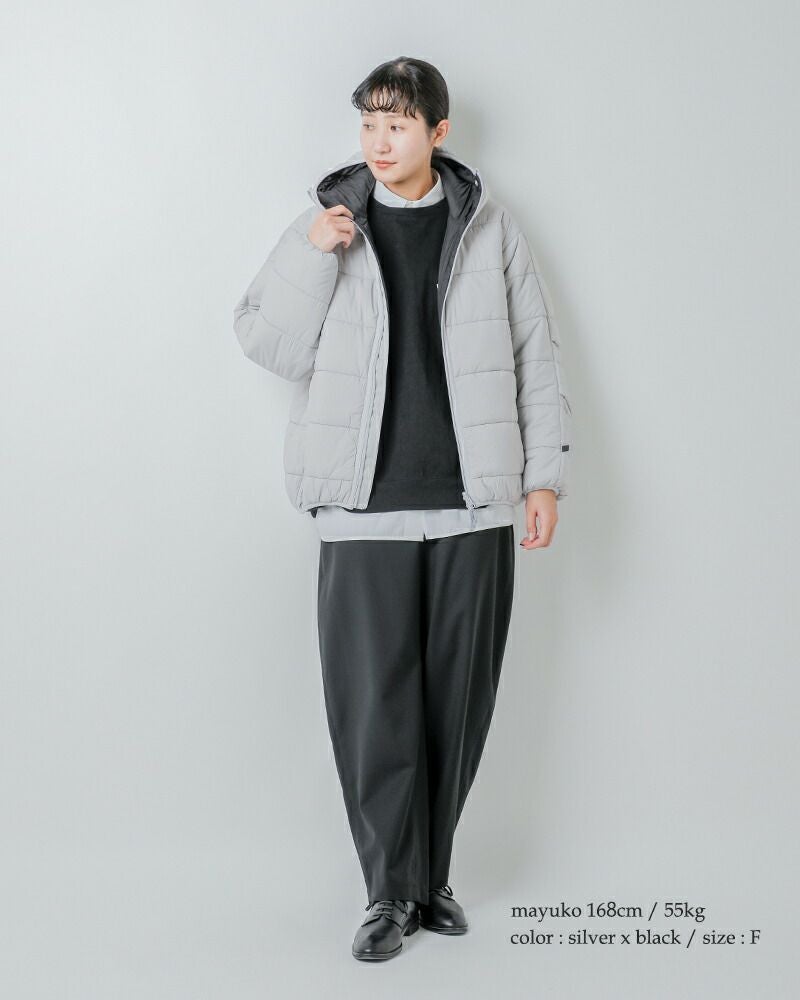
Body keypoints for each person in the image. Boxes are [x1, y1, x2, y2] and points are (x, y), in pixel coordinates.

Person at [233, 56, 572, 962]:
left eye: (398, 124)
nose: (380, 142)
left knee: (455, 707)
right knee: (375, 708)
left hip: (473, 504)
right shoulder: (330, 223)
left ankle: (431, 880)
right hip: (363, 509)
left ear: (438, 132)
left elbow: (535, 354)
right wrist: (313, 253)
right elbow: (265, 342)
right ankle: (389, 892)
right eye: (369, 124)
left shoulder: (489, 227)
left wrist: (543, 478)